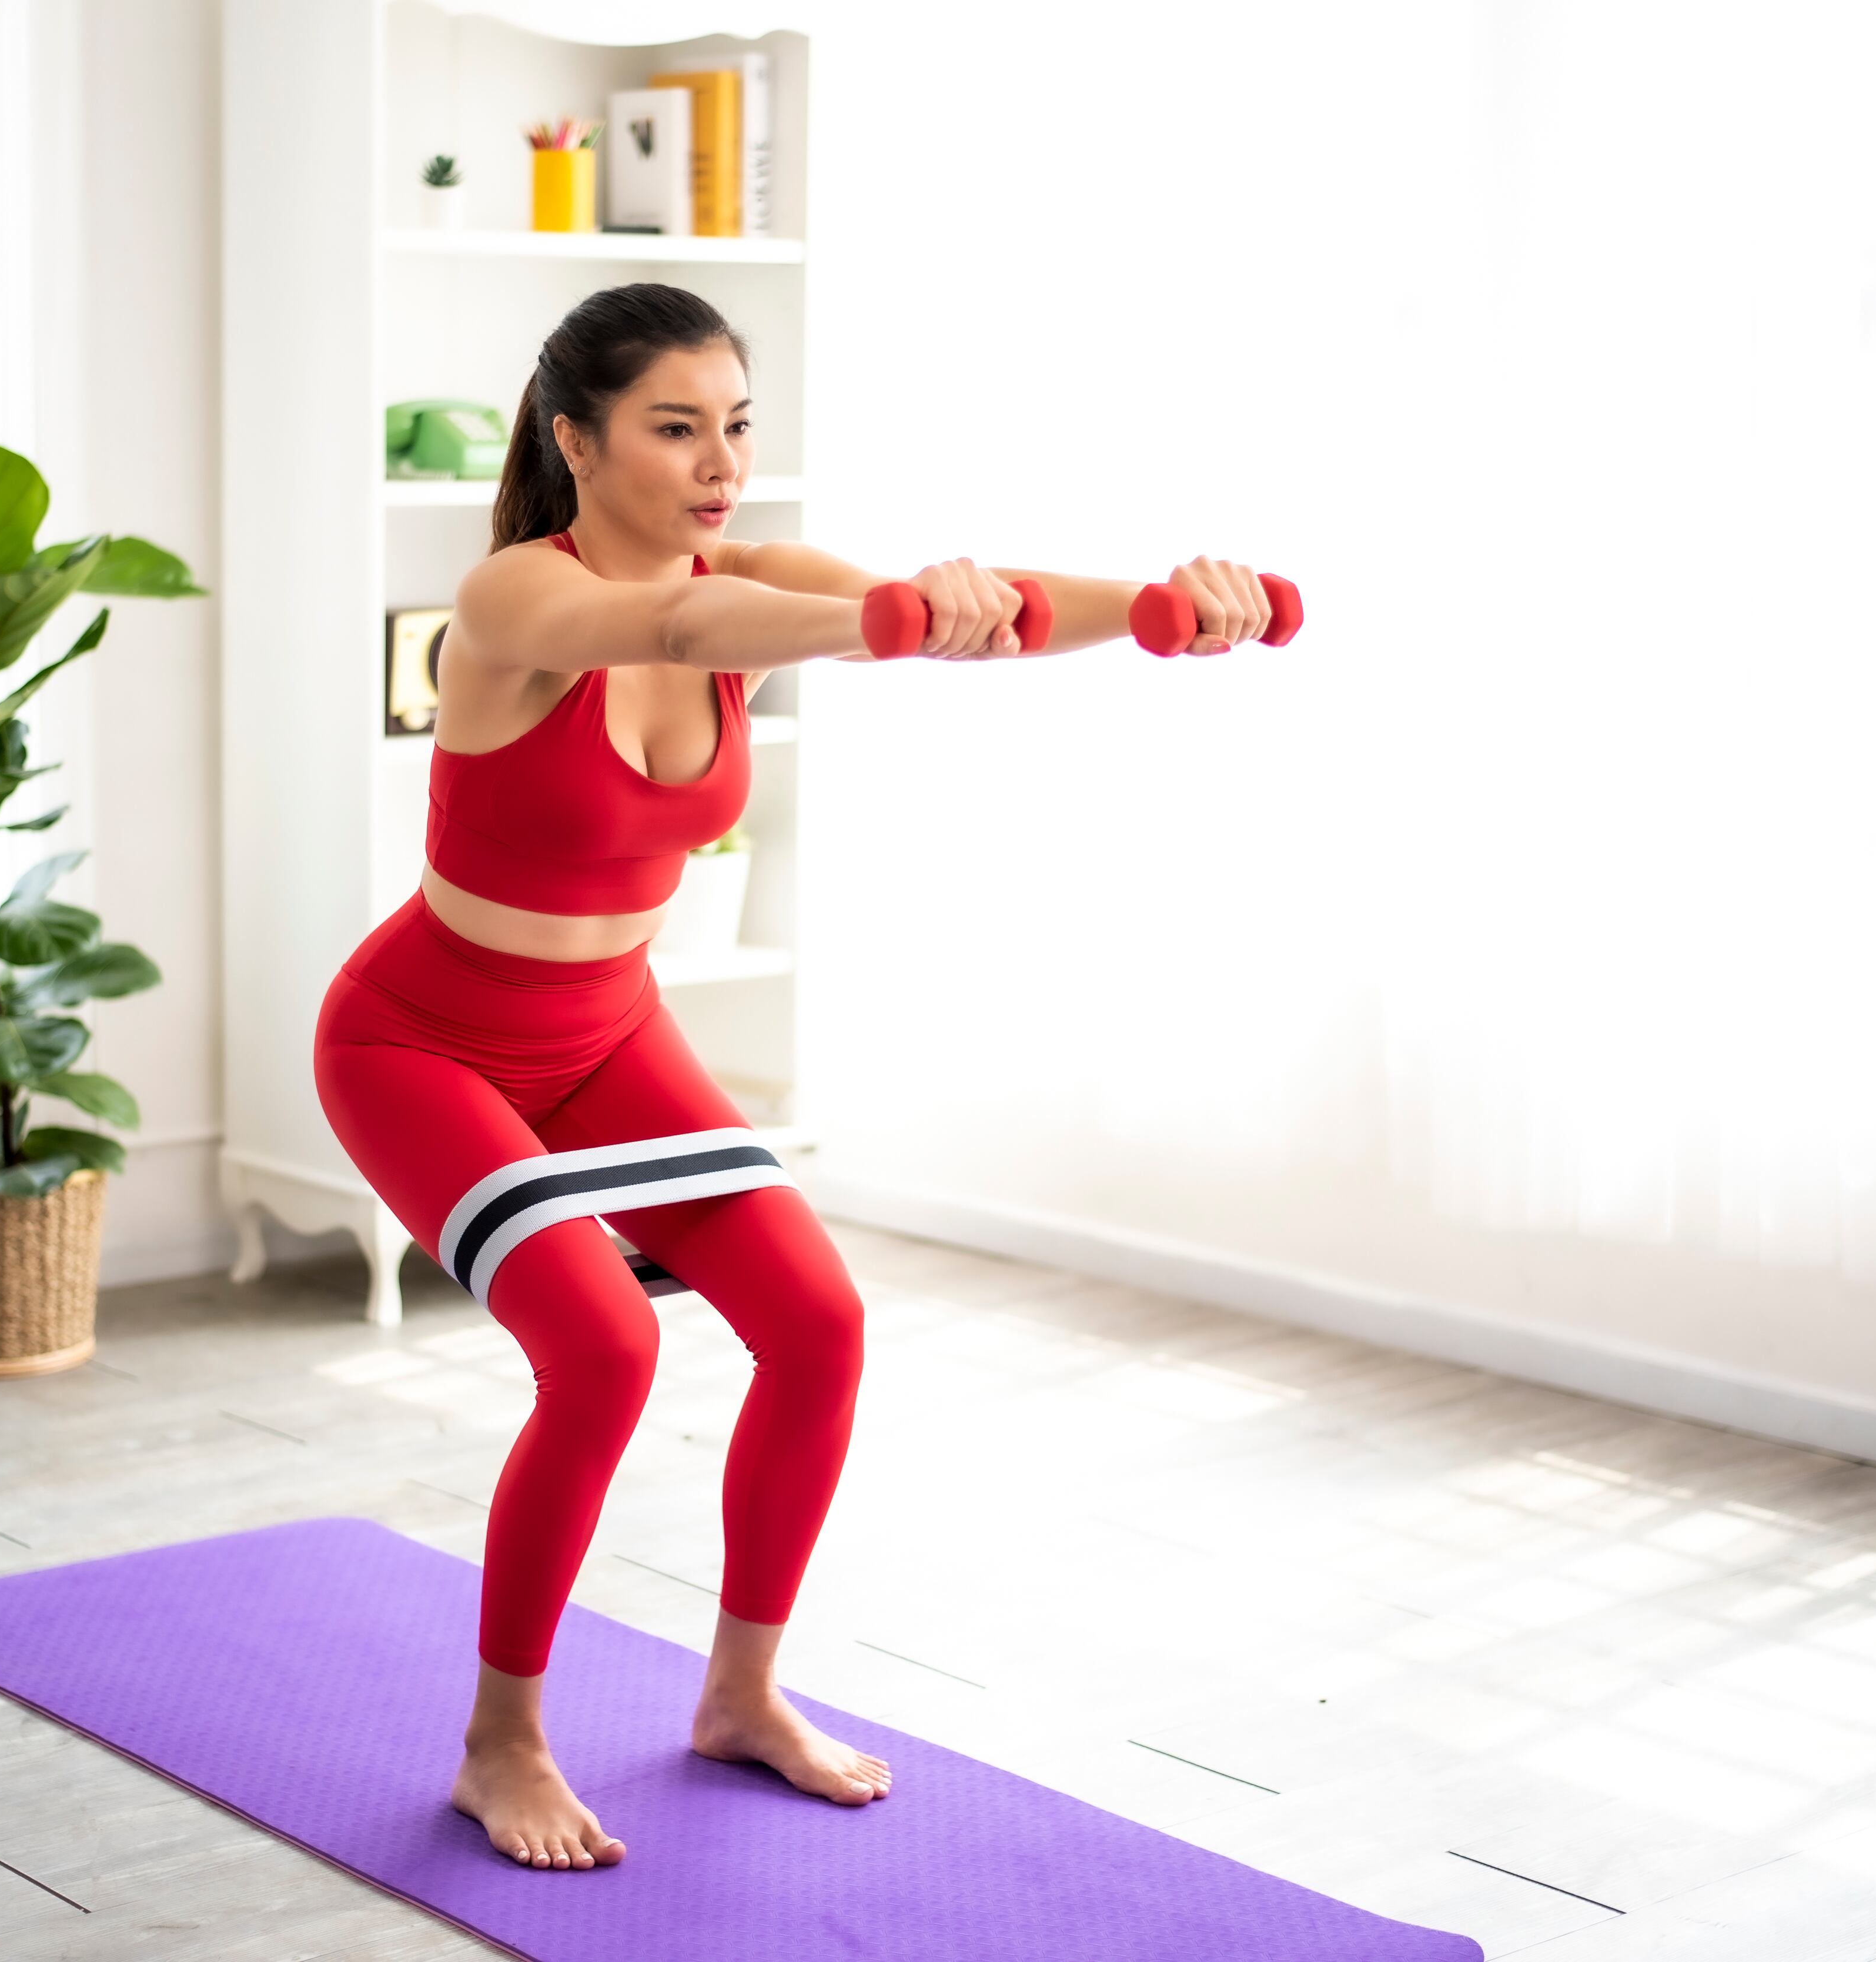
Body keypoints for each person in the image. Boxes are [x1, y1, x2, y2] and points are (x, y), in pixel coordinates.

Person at [312, 283, 1277, 1871]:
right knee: (604, 1344)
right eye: (676, 426)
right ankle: (503, 1742)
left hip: (608, 1029)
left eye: (739, 423)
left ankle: (742, 1696)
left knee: (819, 1323)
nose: (721, 463)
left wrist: (1168, 603)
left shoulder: (755, 577)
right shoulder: (510, 600)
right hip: (423, 1039)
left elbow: (989, 607)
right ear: (575, 439)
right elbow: (683, 627)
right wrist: (886, 617)